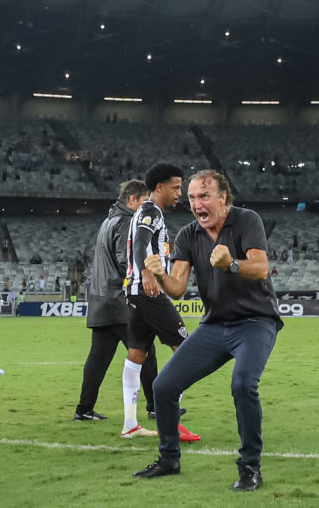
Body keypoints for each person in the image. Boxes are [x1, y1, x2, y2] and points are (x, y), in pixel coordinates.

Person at [133, 169, 279, 492]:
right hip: (215, 325)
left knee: (243, 385)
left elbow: (261, 267)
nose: (197, 204)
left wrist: (232, 264)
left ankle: (250, 468)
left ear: (222, 198)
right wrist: (158, 274)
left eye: (204, 196)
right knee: (164, 386)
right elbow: (178, 288)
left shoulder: (246, 221)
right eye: (192, 198)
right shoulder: (187, 235)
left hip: (257, 321)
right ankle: (169, 459)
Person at [119, 163, 199, 443]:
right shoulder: (151, 211)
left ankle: (130, 424)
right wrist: (145, 271)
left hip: (137, 291)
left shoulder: (151, 213)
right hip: (147, 291)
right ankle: (171, 420)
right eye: (176, 187)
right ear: (160, 187)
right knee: (185, 347)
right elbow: (140, 242)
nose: (180, 192)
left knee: (137, 354)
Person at [74, 180, 159, 422]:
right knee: (144, 350)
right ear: (133, 200)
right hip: (119, 301)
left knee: (98, 359)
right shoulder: (126, 222)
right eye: (144, 202)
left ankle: (83, 409)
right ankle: (156, 406)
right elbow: (126, 262)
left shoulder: (108, 221)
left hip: (101, 301)